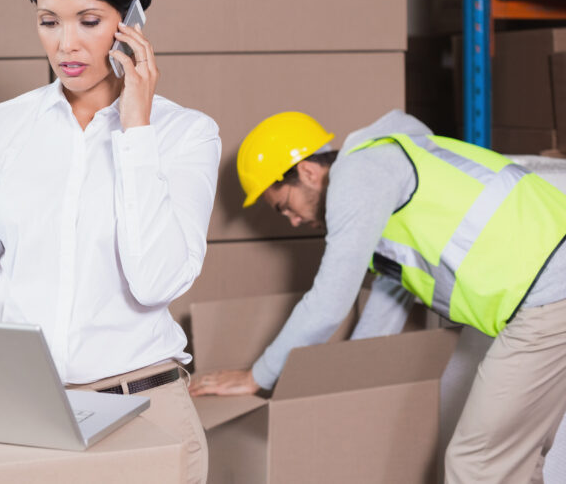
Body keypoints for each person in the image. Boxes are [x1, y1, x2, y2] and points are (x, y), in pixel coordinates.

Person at [0, 0, 221, 483]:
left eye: (88, 21)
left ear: (131, 21)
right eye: (49, 22)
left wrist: (136, 127)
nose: (65, 44)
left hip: (148, 412)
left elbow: (156, 281)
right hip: (30, 415)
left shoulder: (186, 135)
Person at [190, 109, 566, 483]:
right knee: (518, 460)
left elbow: (329, 302)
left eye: (284, 205)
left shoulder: (360, 174)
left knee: (477, 464)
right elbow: (388, 301)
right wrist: (347, 386)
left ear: (306, 170)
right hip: (549, 290)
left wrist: (257, 377)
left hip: (549, 293)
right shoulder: (383, 182)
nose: (293, 221)